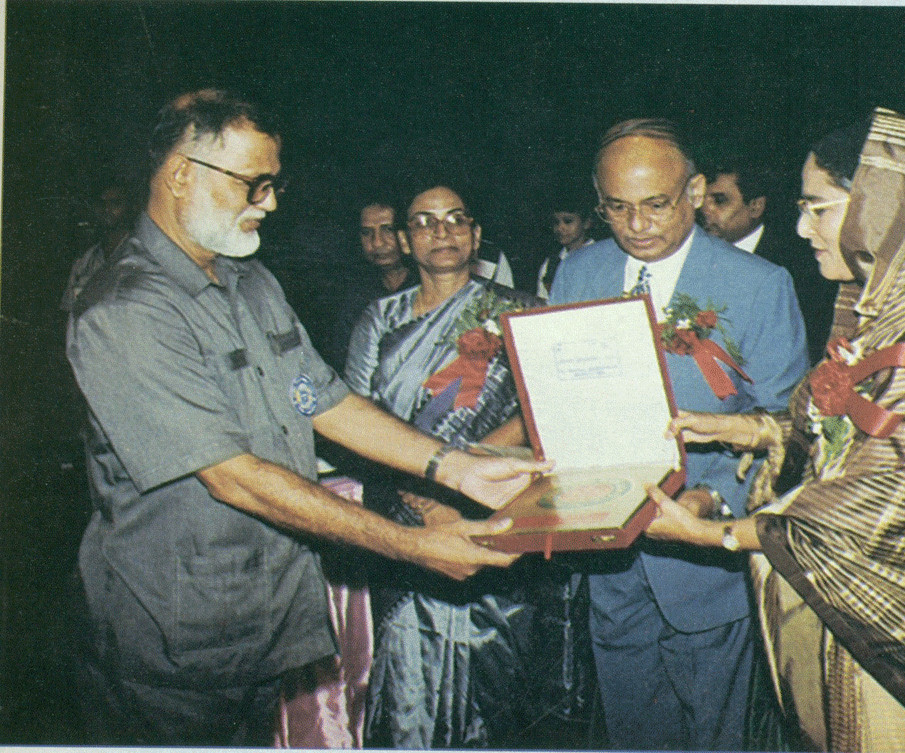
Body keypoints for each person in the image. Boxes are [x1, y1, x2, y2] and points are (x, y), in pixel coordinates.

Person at [64, 89, 547, 747]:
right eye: (254, 183)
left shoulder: (250, 281)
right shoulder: (125, 309)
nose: (270, 202)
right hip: (174, 641)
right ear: (181, 175)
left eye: (274, 182)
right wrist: (411, 546)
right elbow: (235, 478)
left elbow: (325, 400)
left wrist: (459, 468)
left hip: (264, 621)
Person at [650, 108, 905, 753]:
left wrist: (718, 533)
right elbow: (841, 430)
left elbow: (891, 497)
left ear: (885, 207)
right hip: (848, 613)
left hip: (902, 633)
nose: (800, 227)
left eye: (818, 208)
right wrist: (753, 430)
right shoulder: (890, 304)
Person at [547, 118, 809, 751]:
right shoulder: (576, 275)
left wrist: (716, 499)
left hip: (705, 561)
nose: (637, 224)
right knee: (632, 732)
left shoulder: (759, 286)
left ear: (693, 191)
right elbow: (564, 402)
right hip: (608, 557)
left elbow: (791, 432)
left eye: (656, 205)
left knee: (713, 734)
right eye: (617, 208)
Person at [345, 183, 552, 748]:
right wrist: (423, 498)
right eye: (425, 221)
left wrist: (460, 482)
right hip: (403, 515)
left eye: (456, 218)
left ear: (477, 235)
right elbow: (355, 421)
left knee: (497, 673)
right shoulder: (379, 319)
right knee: (410, 675)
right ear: (406, 240)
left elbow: (544, 409)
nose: (442, 231)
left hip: (496, 506)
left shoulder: (522, 311)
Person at [700, 150, 838, 359]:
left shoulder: (799, 266)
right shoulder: (698, 254)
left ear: (755, 207)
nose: (705, 210)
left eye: (719, 201)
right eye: (702, 200)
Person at [321, 199, 420, 374]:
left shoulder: (430, 284)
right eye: (367, 233)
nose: (377, 243)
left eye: (387, 229)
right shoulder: (353, 296)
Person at [60, 179, 134, 311]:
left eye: (115, 203)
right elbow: (69, 312)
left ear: (129, 207)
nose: (107, 210)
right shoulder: (84, 262)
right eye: (102, 204)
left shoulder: (140, 256)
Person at [535, 196, 595, 300]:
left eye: (568, 221)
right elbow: (543, 302)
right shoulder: (551, 264)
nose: (560, 228)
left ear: (587, 223)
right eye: (556, 222)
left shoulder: (600, 258)